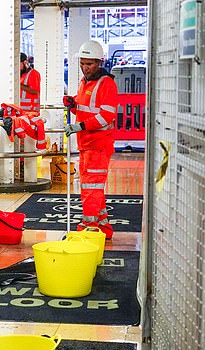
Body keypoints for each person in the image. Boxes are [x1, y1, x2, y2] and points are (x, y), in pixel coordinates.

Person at [63, 40, 119, 239]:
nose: (85, 68)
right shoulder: (85, 83)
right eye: (82, 63)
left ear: (99, 62)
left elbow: (106, 116)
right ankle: (103, 226)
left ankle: (89, 226)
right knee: (92, 186)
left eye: (89, 64)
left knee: (91, 188)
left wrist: (80, 126)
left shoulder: (107, 84)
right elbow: (86, 110)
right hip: (86, 144)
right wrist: (73, 105)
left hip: (98, 146)